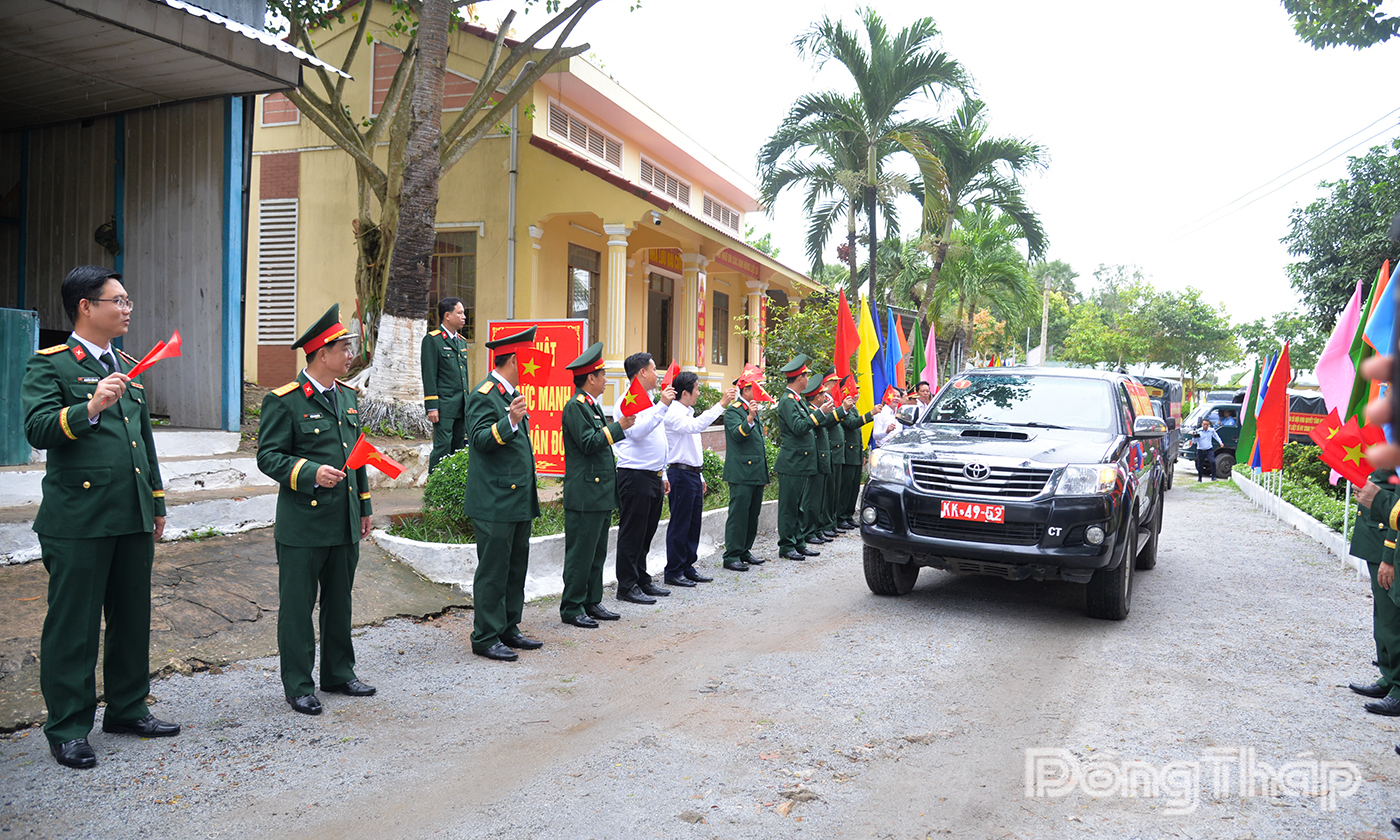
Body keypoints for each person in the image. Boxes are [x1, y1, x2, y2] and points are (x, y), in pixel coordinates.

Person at [22, 265, 177, 768]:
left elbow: (142, 443)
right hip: (79, 519)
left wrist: (154, 501)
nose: (127, 308)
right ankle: (68, 727)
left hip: (130, 515)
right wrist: (88, 408)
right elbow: (38, 429)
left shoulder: (127, 364)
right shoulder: (51, 366)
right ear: (86, 306)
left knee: (132, 620)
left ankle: (128, 709)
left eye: (128, 300)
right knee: (75, 626)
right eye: (118, 300)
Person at [256, 304, 376, 715]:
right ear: (321, 353)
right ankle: (298, 684)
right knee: (297, 607)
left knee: (339, 601)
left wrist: (364, 506)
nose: (349, 356)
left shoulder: (347, 397)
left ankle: (339, 672)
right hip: (303, 523)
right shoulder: (284, 401)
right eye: (344, 348)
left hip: (342, 520)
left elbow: (356, 455)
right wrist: (308, 471)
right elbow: (268, 456)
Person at [463, 326, 542, 661]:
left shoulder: (511, 394)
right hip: (495, 500)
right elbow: (480, 440)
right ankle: (485, 635)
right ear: (513, 359)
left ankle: (508, 626)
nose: (532, 364)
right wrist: (509, 421)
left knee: (514, 567)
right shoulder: (484, 395)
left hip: (517, 498)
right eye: (527, 358)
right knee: (494, 570)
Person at [559, 343, 633, 628]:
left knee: (596, 552)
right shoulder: (575, 407)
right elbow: (589, 443)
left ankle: (591, 600)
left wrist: (615, 427)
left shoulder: (591, 405)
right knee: (580, 554)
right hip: (585, 493)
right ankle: (572, 606)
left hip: (599, 492)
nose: (605, 380)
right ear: (590, 377)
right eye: (602, 375)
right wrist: (618, 427)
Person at [612, 352, 677, 605]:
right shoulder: (628, 401)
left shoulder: (649, 399)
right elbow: (637, 434)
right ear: (641, 373)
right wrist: (662, 406)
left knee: (647, 532)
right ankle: (626, 586)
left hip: (652, 475)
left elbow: (657, 438)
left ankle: (641, 579)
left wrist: (664, 472)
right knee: (633, 532)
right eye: (653, 369)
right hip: (634, 475)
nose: (657, 374)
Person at [661, 373, 735, 587]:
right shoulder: (674, 413)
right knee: (680, 524)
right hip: (680, 474)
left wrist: (700, 474)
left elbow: (691, 446)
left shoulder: (687, 411)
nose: (699, 393)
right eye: (696, 389)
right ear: (685, 393)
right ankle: (674, 570)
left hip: (691, 473)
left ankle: (687, 566)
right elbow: (695, 428)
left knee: (693, 524)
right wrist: (721, 404)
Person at [1348, 470, 1400, 716]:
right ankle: (1390, 677)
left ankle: (1398, 687)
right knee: (1383, 616)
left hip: (1388, 536)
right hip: (1375, 532)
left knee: (1393, 621)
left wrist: (1389, 554)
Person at [775, 356, 825, 561]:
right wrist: (819, 414)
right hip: (792, 461)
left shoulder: (796, 400)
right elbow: (798, 427)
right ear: (799, 378)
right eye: (806, 375)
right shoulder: (787, 402)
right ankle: (787, 545)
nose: (808, 379)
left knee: (799, 505)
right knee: (789, 506)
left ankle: (798, 541)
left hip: (801, 461)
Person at [722, 367, 770, 571]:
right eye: (756, 386)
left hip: (755, 470)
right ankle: (732, 555)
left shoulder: (753, 407)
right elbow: (737, 434)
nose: (759, 390)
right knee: (739, 514)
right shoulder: (734, 410)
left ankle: (744, 550)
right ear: (746, 389)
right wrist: (749, 418)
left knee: (752, 514)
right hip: (741, 472)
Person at [421, 297, 471, 473]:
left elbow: (464, 377)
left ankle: (452, 488)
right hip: (443, 406)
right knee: (443, 446)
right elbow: (429, 375)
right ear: (447, 316)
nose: (464, 316)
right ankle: (434, 487)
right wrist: (432, 406)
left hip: (461, 404)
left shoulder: (462, 341)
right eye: (460, 313)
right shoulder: (433, 340)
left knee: (458, 447)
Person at [837, 380, 875, 530]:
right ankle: (840, 516)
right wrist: (870, 414)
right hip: (848, 453)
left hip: (856, 453)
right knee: (845, 487)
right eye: (853, 391)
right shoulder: (844, 409)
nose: (856, 395)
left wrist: (862, 452)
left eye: (858, 392)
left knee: (853, 488)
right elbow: (852, 424)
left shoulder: (853, 408)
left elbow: (858, 434)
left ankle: (848, 514)